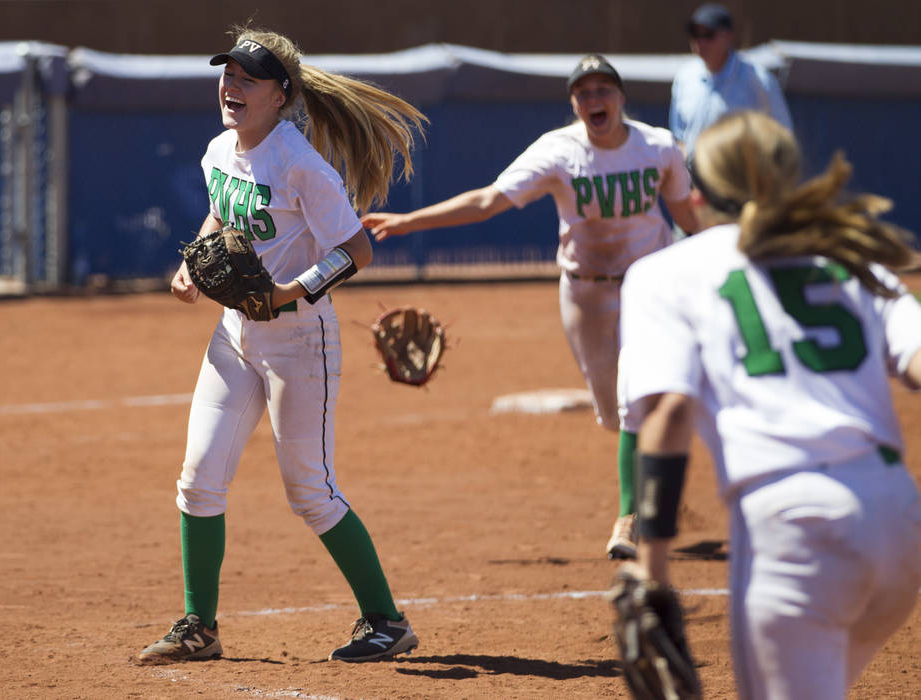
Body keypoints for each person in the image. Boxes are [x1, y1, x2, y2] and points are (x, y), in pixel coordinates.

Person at [136, 26, 427, 665]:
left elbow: (356, 250)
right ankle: (199, 627)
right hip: (236, 336)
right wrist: (196, 260)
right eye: (228, 74)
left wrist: (290, 291)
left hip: (301, 343)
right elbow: (220, 216)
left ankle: (387, 620)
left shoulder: (301, 165)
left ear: (280, 95)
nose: (231, 86)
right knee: (198, 480)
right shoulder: (219, 151)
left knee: (310, 490)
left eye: (247, 78)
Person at [620, 110, 921, 698]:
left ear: (698, 193)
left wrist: (649, 567)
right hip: (897, 519)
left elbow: (670, 415)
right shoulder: (851, 252)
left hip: (795, 527)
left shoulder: (665, 273)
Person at [361, 54, 697, 560]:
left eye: (604, 89)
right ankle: (646, 462)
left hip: (647, 288)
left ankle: (630, 518)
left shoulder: (658, 148)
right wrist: (411, 222)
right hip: (585, 294)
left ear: (622, 97)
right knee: (611, 413)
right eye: (584, 93)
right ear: (573, 104)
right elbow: (487, 201)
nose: (594, 99)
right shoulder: (558, 152)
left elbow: (688, 216)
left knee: (634, 403)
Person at [670, 3, 793, 157]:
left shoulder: (759, 80)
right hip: (693, 176)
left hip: (740, 177)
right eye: (695, 34)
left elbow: (783, 135)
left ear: (728, 36)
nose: (700, 42)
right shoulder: (684, 77)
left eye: (708, 34)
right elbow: (679, 136)